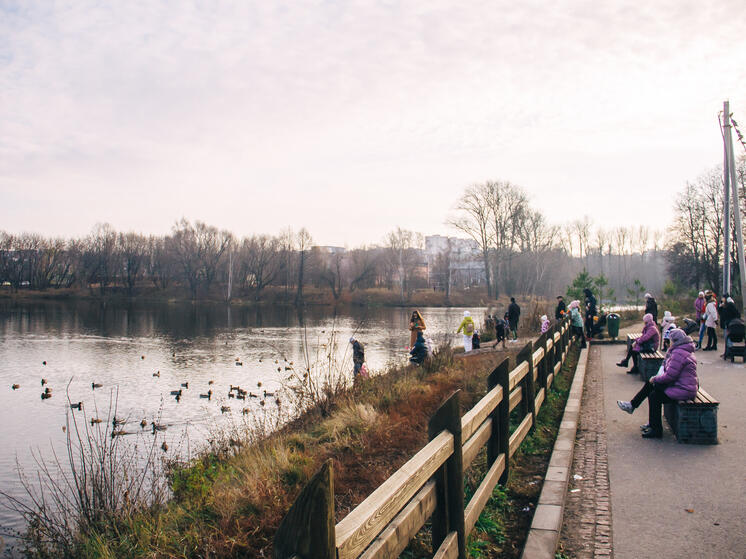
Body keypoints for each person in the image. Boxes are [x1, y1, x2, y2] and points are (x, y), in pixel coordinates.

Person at [616, 328, 698, 438]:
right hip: (681, 385)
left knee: (654, 395)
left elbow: (670, 375)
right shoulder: (680, 350)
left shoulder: (679, 353)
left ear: (674, 341)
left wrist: (655, 379)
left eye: (669, 341)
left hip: (684, 389)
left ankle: (656, 429)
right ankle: (640, 413)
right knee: (652, 387)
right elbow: (668, 368)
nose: (667, 343)